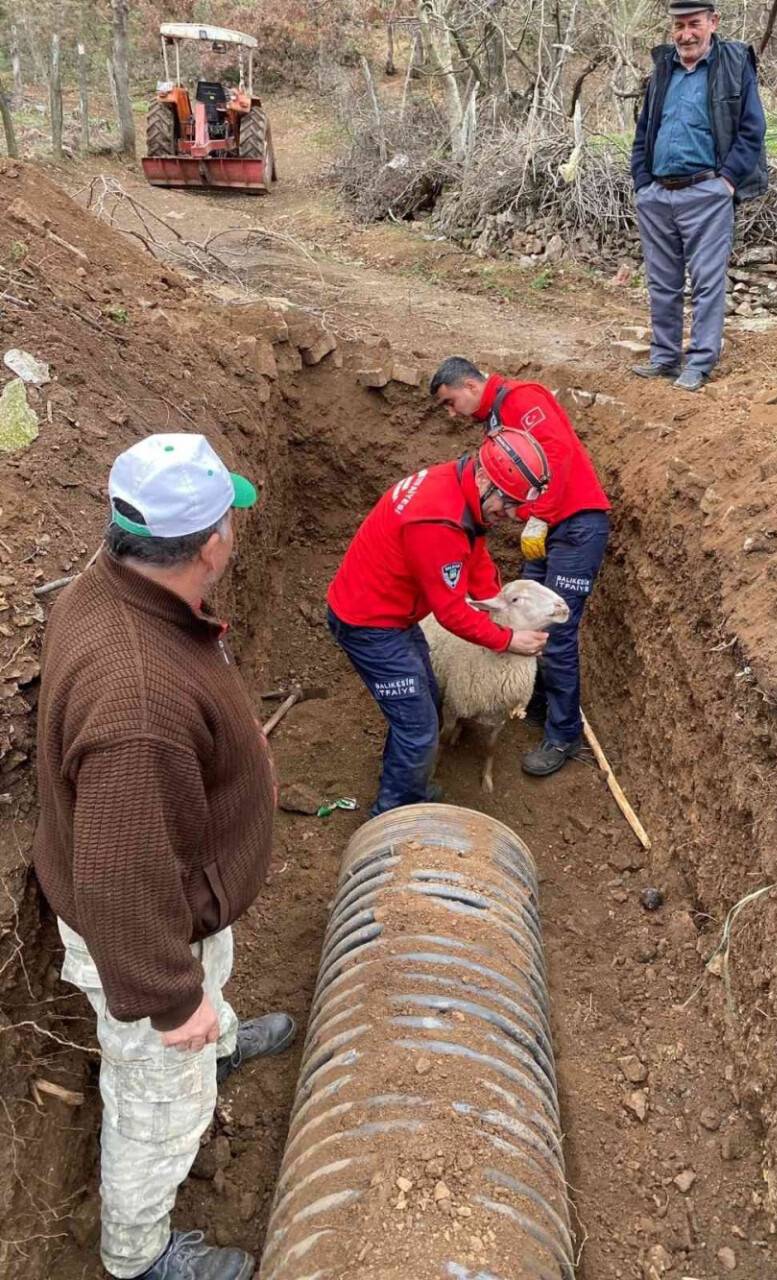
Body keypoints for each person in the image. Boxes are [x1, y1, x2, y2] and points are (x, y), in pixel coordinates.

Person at [34, 434, 295, 1280]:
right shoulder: (136, 703)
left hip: (179, 894)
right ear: (213, 544)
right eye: (231, 520)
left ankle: (211, 1037)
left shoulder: (115, 587)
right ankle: (138, 1255)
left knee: (194, 1017)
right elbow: (120, 878)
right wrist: (172, 1002)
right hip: (148, 935)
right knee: (156, 1103)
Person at [327, 431, 550, 813]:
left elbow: (475, 550)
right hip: (370, 625)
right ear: (485, 479)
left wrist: (494, 601)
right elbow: (449, 612)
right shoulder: (437, 522)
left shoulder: (460, 489)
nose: (512, 515)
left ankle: (404, 781)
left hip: (393, 613)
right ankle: (393, 811)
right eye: (509, 503)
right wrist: (506, 638)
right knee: (418, 728)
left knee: (425, 702)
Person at [429, 357, 611, 778]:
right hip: (549, 528)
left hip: (575, 525)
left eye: (450, 402)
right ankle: (543, 705)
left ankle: (564, 735)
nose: (452, 412)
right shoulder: (496, 416)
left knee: (558, 634)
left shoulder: (521, 400)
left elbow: (559, 451)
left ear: (471, 385)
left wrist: (542, 514)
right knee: (520, 619)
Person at [630, 0, 767, 392]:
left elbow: (752, 129)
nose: (685, 34)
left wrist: (726, 182)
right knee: (662, 282)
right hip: (658, 194)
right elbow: (644, 130)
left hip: (707, 192)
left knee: (707, 282)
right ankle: (664, 357)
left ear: (712, 22)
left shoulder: (734, 64)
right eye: (679, 26)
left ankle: (701, 362)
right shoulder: (663, 68)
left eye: (694, 24)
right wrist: (642, 181)